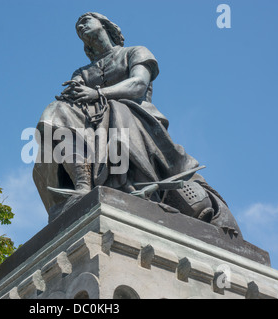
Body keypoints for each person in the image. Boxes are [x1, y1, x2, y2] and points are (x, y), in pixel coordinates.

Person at [33, 12, 240, 236]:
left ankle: (121, 180)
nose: (80, 26)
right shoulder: (81, 72)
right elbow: (71, 97)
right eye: (77, 27)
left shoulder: (135, 52)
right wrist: (72, 93)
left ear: (105, 25)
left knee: (116, 109)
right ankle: (83, 183)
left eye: (86, 21)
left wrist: (97, 93)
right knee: (54, 111)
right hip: (91, 119)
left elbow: (138, 85)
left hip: (136, 114)